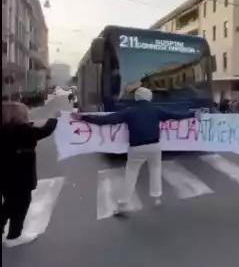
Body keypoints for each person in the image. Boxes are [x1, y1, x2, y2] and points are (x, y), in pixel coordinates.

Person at [71, 87, 197, 217]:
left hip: (136, 148)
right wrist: (193, 114)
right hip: (154, 146)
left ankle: (124, 204)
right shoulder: (156, 110)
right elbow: (176, 116)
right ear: (149, 97)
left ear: (136, 97)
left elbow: (106, 120)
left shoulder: (129, 111)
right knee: (155, 170)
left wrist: (83, 118)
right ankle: (157, 198)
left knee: (131, 174)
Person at [1, 102, 59, 247]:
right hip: (20, 177)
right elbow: (45, 131)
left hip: (5, 177)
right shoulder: (24, 131)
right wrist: (54, 118)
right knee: (21, 205)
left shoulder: (4, 130)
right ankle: (14, 236)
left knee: (9, 204)